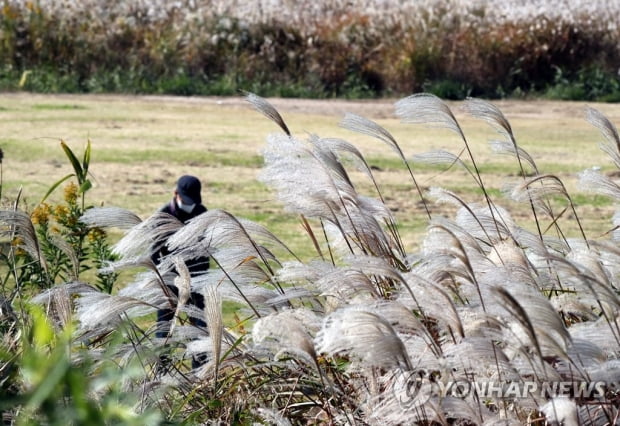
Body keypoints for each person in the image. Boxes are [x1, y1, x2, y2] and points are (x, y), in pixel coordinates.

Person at [152, 175, 209, 369]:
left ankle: (200, 372)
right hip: (169, 281)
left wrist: (199, 277)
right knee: (164, 328)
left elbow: (205, 250)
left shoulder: (202, 213)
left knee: (200, 327)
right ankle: (161, 370)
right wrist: (165, 280)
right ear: (175, 194)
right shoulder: (164, 215)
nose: (190, 204)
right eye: (186, 200)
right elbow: (154, 254)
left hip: (196, 280)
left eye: (193, 200)